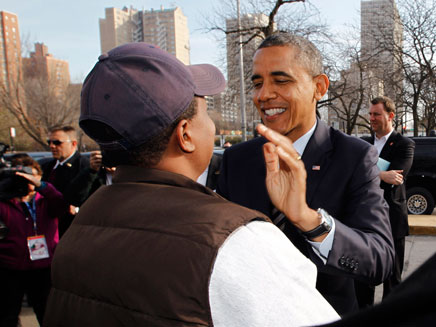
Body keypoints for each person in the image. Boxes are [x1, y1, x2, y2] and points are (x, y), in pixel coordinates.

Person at [43, 43, 340, 326]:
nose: (211, 125)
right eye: (205, 111)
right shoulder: (235, 240)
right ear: (185, 135)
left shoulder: (83, 224)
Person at [216, 32, 395, 315]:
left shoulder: (354, 156)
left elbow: (380, 260)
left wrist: (308, 219)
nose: (264, 95)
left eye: (281, 80)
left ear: (319, 87)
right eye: (258, 83)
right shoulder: (236, 160)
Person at [356, 96, 415, 307]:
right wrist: (381, 175)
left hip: (392, 220)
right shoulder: (362, 143)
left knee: (393, 279)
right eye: (370, 114)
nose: (371, 118)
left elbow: (396, 177)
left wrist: (368, 174)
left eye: (376, 114)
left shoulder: (404, 144)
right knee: (363, 278)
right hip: (364, 220)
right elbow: (355, 174)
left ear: (390, 116)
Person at [0, 156, 66, 326]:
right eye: (21, 177)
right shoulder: (5, 202)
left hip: (43, 268)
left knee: (47, 314)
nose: (27, 182)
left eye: (32, 177)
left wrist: (42, 186)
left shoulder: (45, 201)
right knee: (8, 315)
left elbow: (60, 203)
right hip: (11, 268)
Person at [41, 126, 89, 236]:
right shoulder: (47, 167)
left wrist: (77, 209)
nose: (52, 146)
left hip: (75, 229)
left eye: (57, 142)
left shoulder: (85, 167)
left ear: (73, 143)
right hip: (51, 227)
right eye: (50, 142)